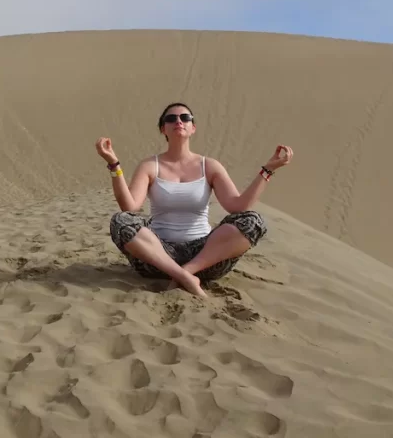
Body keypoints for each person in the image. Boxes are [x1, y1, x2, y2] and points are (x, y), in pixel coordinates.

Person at [95, 102, 293, 297]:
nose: (178, 122)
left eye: (185, 118)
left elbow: (238, 206)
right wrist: (114, 165)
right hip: (158, 257)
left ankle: (186, 273)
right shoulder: (150, 165)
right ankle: (183, 276)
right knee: (121, 221)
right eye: (171, 119)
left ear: (193, 127)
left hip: (205, 258)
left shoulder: (210, 166)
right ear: (163, 129)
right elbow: (129, 206)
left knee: (253, 221)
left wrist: (268, 170)